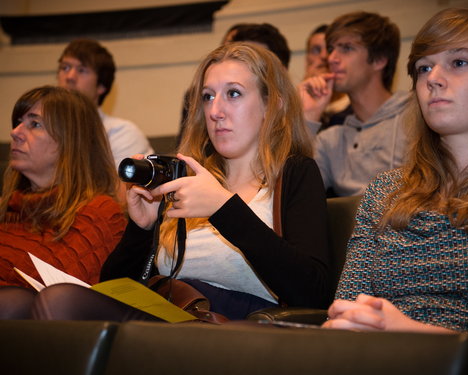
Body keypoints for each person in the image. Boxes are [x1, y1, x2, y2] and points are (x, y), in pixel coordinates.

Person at [32, 42, 330, 321]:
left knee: (61, 302)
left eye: (234, 93)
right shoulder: (185, 176)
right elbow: (114, 287)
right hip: (172, 319)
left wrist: (225, 209)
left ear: (272, 104)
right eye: (208, 96)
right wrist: (142, 229)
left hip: (242, 328)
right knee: (51, 301)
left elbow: (314, 292)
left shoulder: (295, 173)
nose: (215, 111)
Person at [323, 8, 468, 334]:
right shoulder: (385, 189)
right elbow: (346, 305)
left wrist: (407, 332)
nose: (433, 78)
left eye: (459, 62)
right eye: (423, 68)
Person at [0, 86, 127, 316]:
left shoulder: (98, 215)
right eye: (18, 122)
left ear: (70, 141)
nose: (15, 132)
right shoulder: (7, 209)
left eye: (34, 124)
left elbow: (62, 304)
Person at [299, 12, 409, 197]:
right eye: (332, 48)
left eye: (346, 48)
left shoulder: (417, 119)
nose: (331, 58)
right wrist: (307, 117)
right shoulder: (331, 140)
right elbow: (294, 193)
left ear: (380, 59)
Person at [57, 39, 153, 168]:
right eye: (65, 67)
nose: (69, 77)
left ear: (101, 86)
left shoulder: (121, 134)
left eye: (81, 70)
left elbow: (118, 188)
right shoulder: (40, 132)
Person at [301, 24, 351, 130]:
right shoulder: (290, 105)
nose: (324, 56)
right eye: (316, 50)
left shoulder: (356, 107)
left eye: (329, 49)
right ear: (306, 60)